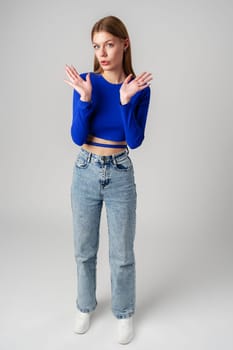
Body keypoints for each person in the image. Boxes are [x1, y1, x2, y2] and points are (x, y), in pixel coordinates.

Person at [64, 15, 152, 345]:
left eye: (109, 44)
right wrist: (85, 100)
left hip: (119, 173)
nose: (103, 52)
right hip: (85, 169)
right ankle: (85, 307)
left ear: (124, 44)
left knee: (122, 254)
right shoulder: (87, 82)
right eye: (97, 46)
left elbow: (135, 140)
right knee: (84, 250)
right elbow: (76, 136)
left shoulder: (138, 88)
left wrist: (126, 101)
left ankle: (124, 312)